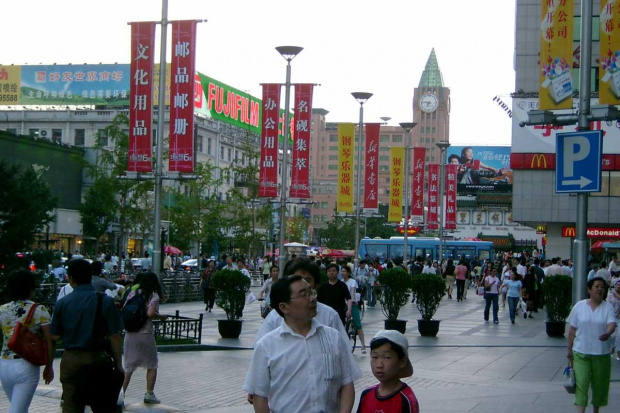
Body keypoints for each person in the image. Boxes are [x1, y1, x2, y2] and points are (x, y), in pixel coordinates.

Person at [244, 275, 361, 413]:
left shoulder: (334, 337)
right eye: (304, 295)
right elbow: (260, 396)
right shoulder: (267, 346)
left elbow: (347, 383)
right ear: (284, 307)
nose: (312, 298)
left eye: (311, 292)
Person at [50, 259, 124, 412]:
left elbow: (54, 337)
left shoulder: (63, 303)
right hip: (97, 359)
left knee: (71, 404)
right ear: (90, 276)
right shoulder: (105, 301)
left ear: (70, 278)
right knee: (101, 404)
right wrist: (118, 364)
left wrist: (48, 365)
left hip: (71, 360)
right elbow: (114, 336)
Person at [0, 270, 54, 412]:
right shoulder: (39, 309)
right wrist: (49, 366)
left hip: (4, 364)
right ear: (31, 287)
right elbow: (50, 339)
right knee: (18, 409)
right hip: (27, 365)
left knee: (17, 407)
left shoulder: (2, 309)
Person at [566, 277, 616, 413]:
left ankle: (596, 410)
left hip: (601, 354)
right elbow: (572, 330)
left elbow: (612, 324)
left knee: (599, 385)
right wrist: (569, 349)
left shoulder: (607, 307)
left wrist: (608, 333)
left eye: (602, 287)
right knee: (581, 383)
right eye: (597, 286)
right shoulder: (579, 306)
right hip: (581, 352)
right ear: (589, 289)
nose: (600, 289)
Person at [122, 272, 168, 404]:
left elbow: (125, 309)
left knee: (128, 367)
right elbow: (150, 313)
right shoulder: (153, 295)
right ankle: (149, 393)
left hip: (130, 333)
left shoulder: (132, 293)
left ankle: (120, 394)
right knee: (152, 364)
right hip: (145, 334)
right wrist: (161, 316)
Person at [357, 330, 419, 413]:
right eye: (375, 357)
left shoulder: (406, 399)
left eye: (387, 357)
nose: (379, 364)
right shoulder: (366, 394)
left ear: (402, 361)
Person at [341, 265, 367, 354]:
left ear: (348, 273)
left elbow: (352, 292)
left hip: (352, 304)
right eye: (341, 271)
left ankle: (363, 345)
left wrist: (351, 301)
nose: (342, 273)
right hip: (342, 304)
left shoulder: (352, 282)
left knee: (357, 324)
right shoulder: (340, 282)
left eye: (344, 271)